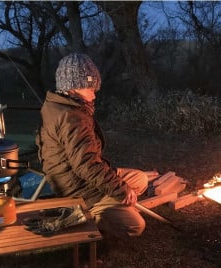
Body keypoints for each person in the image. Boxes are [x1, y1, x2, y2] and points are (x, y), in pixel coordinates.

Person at [26, 53, 148, 239]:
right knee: (135, 225)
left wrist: (118, 185)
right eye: (91, 88)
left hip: (74, 177)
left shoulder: (56, 105)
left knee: (140, 179)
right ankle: (84, 214)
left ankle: (112, 202)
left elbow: (84, 160)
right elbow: (87, 165)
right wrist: (119, 189)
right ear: (74, 87)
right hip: (78, 188)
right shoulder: (72, 117)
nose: (94, 93)